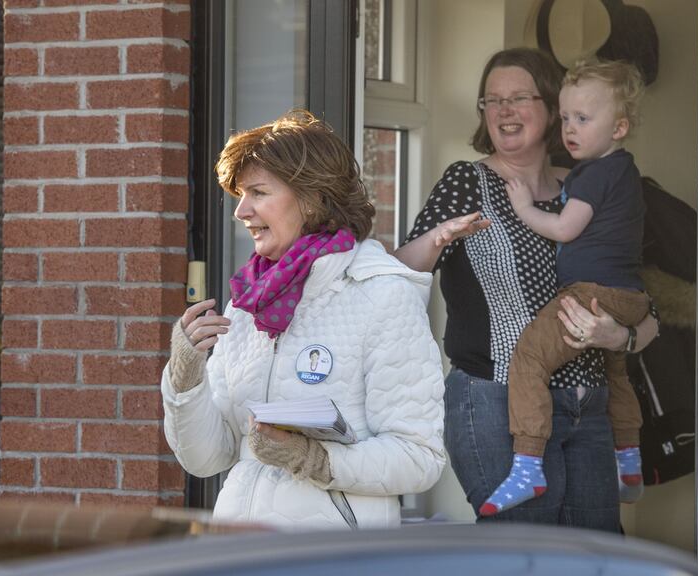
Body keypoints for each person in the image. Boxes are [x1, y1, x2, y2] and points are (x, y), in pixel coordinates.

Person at [393, 47, 658, 529]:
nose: (503, 111)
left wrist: (621, 337)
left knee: (599, 552)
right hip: (496, 400)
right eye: (491, 101)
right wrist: (440, 237)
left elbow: (641, 295)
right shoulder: (467, 182)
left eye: (518, 97)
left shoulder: (586, 184)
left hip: (590, 400)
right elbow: (400, 270)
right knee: (526, 550)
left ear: (553, 107)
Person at [161, 110, 446, 530]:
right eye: (240, 194)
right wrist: (185, 377)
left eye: (258, 192)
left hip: (329, 558)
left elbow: (419, 458)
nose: (241, 211)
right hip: (238, 548)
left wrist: (314, 460)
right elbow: (206, 459)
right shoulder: (247, 303)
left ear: (312, 198)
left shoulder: (383, 294)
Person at [481, 59, 649, 516]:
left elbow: (564, 228)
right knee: (616, 375)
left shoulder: (594, 174)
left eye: (584, 119)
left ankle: (528, 466)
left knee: (530, 357)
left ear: (619, 128)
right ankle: (629, 462)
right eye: (567, 117)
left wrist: (522, 206)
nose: (570, 129)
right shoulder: (627, 172)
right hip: (629, 295)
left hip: (591, 292)